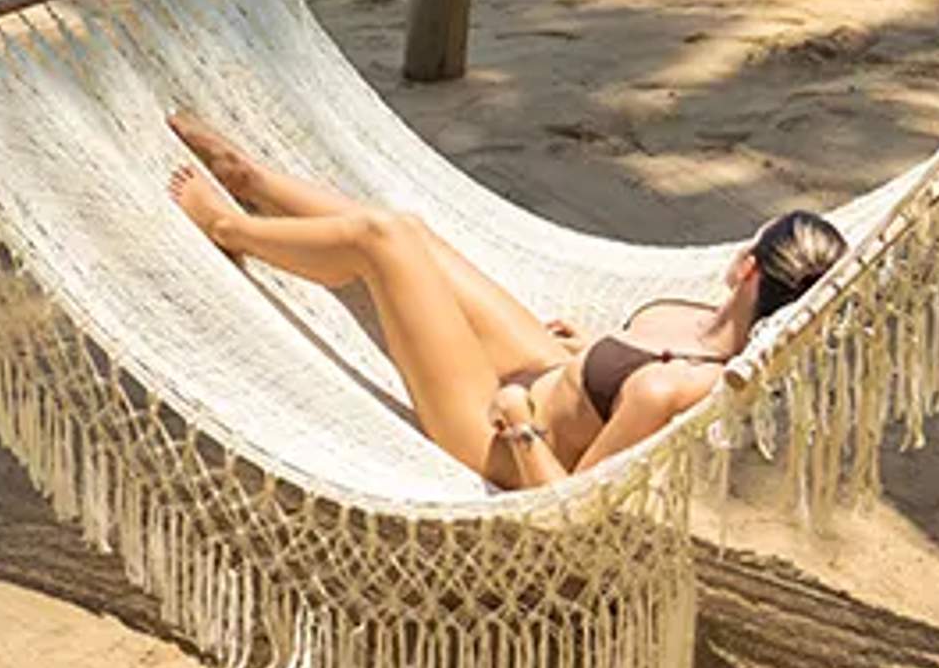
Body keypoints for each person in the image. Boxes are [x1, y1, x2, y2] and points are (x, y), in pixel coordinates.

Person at [162, 113, 851, 488]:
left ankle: (229, 228)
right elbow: (612, 385)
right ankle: (252, 180)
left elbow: (573, 504)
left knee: (384, 241)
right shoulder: (696, 327)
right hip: (545, 369)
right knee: (416, 236)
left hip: (495, 437)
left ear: (747, 270)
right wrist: (593, 351)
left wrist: (520, 424)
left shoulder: (672, 387)